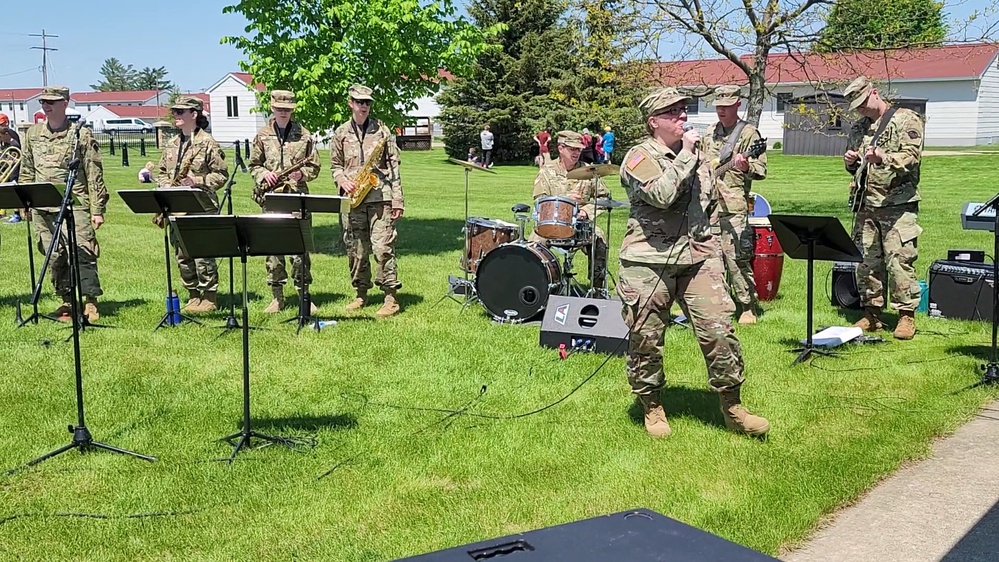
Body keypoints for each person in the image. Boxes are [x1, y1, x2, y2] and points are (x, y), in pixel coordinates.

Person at [616, 86, 769, 439]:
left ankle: (733, 406)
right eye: (673, 113)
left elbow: (709, 199)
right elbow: (663, 195)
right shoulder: (638, 157)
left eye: (684, 110)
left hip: (699, 257)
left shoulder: (699, 156)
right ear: (654, 122)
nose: (682, 117)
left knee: (719, 330)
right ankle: (652, 406)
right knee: (646, 338)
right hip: (648, 262)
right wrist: (687, 155)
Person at [843, 76, 924, 340]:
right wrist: (851, 161)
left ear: (875, 93)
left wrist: (883, 157)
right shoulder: (858, 128)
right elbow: (857, 167)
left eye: (863, 103)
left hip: (897, 204)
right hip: (866, 204)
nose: (861, 110)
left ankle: (906, 317)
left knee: (899, 260)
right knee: (867, 262)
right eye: (857, 107)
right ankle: (872, 314)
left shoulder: (906, 119)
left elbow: (911, 157)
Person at [20, 86, 108, 322]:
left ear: (65, 103)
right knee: (54, 255)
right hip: (42, 206)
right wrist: (25, 201)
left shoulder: (80, 134)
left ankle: (90, 301)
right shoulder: (33, 134)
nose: (46, 105)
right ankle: (66, 301)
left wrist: (97, 210)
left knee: (82, 252)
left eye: (52, 101)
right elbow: (27, 169)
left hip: (74, 203)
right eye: (43, 101)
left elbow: (94, 174)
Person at [330, 84, 405, 317]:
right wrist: (342, 180)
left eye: (367, 102)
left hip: (380, 197)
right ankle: (361, 294)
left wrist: (397, 199)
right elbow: (335, 166)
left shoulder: (382, 132)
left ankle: (390, 297)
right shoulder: (340, 133)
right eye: (359, 102)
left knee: (383, 247)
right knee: (356, 249)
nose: (364, 106)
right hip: (352, 198)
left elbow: (394, 166)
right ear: (350, 103)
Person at [248, 89, 321, 314]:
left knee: (299, 250)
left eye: (287, 109)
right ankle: (277, 297)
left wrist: (303, 175)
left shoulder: (304, 135)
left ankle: (304, 295)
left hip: (297, 198)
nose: (283, 112)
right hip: (271, 197)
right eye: (279, 108)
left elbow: (315, 167)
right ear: (272, 108)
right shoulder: (262, 135)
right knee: (273, 250)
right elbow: (253, 165)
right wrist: (263, 175)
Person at [155, 96, 229, 313]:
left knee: (202, 253)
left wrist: (196, 181)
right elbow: (161, 171)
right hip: (176, 206)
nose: (176, 115)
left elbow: (221, 175)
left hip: (201, 205)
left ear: (194, 114)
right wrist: (166, 186)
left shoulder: (207, 143)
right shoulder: (172, 143)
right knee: (182, 254)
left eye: (180, 112)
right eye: (175, 111)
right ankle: (193, 294)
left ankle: (209, 297)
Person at [702, 85, 768, 324]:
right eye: (718, 106)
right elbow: (702, 165)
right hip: (708, 206)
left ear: (738, 105)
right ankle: (716, 304)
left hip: (733, 207)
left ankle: (747, 305)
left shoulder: (749, 134)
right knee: (708, 258)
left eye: (726, 106)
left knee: (736, 258)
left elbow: (761, 170)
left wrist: (746, 166)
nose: (721, 110)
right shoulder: (709, 133)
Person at [530, 130, 610, 291]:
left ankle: (597, 289)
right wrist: (566, 200)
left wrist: (586, 211)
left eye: (579, 149)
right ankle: (536, 286)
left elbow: (605, 198)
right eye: (572, 149)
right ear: (561, 148)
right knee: (533, 246)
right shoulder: (547, 171)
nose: (576, 153)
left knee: (600, 239)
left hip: (581, 225)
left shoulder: (590, 172)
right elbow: (540, 200)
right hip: (553, 223)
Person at [0, 114, 23, 223]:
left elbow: (17, 147)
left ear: (6, 124)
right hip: (4, 168)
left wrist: (9, 140)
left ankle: (17, 214)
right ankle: (2, 212)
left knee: (14, 190)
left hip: (13, 168)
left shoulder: (11, 134)